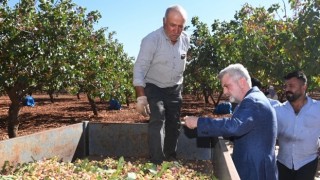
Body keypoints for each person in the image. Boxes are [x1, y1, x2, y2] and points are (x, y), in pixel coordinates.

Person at [184, 63, 278, 180]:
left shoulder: (253, 101)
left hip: (255, 172)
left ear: (242, 82)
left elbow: (234, 126)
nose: (224, 92)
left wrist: (199, 122)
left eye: (227, 86)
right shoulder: (250, 100)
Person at [133, 5, 190, 165]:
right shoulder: (151, 40)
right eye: (173, 25)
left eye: (181, 26)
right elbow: (140, 67)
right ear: (164, 21)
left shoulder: (186, 39)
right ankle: (157, 162)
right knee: (157, 116)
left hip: (175, 87)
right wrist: (141, 97)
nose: (176, 30)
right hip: (154, 85)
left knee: (174, 122)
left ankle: (170, 157)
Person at [274, 71, 320, 180]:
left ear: (304, 87)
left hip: (307, 162)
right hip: (283, 163)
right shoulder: (278, 110)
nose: (287, 89)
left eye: (291, 86)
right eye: (286, 86)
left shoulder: (317, 108)